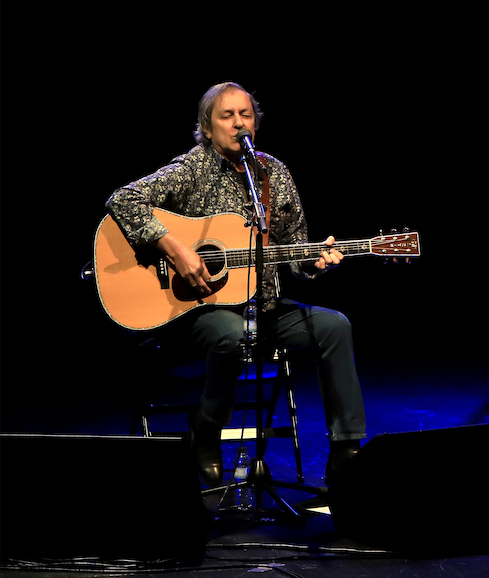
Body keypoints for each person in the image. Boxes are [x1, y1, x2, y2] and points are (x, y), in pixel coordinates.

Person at [106, 81, 366, 486]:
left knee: (336, 326)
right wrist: (177, 251)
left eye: (245, 115)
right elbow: (123, 200)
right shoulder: (192, 168)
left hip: (264, 308)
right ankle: (207, 429)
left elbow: (294, 249)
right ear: (207, 127)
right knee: (232, 334)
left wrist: (314, 262)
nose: (238, 123)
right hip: (200, 313)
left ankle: (347, 453)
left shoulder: (272, 174)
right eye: (226, 116)